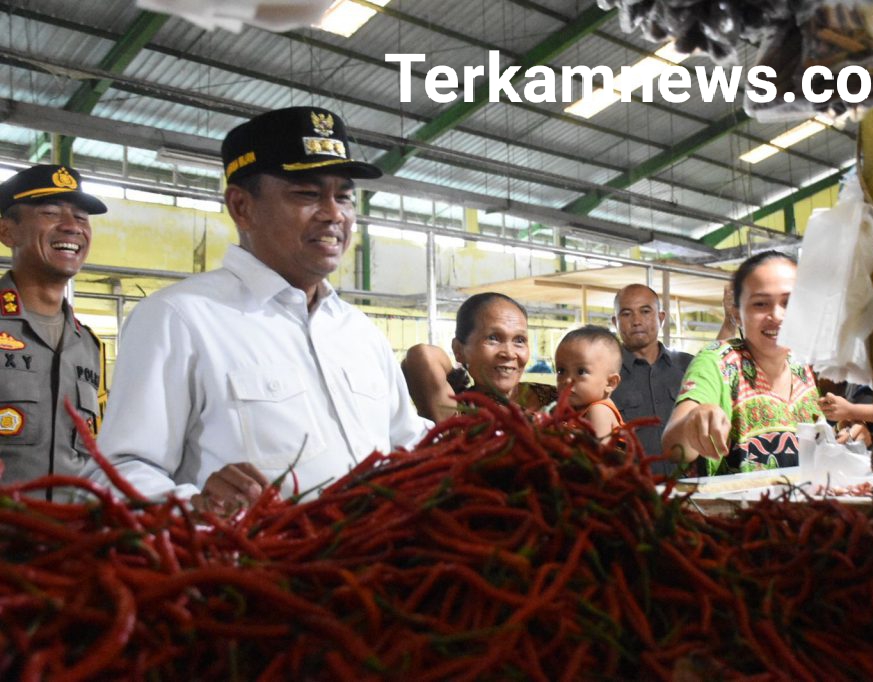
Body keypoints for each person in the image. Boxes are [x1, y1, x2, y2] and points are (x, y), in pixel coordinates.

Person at [88, 106, 430, 516]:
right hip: (253, 572)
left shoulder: (360, 334)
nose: (335, 213)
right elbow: (117, 474)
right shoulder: (180, 319)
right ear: (241, 207)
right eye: (307, 193)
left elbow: (408, 446)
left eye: (344, 196)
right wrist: (193, 506)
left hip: (371, 567)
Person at [661, 251, 823, 475]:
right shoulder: (718, 360)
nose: (777, 315)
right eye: (760, 304)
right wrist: (693, 420)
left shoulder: (800, 365)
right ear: (737, 313)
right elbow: (674, 449)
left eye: (789, 302)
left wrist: (846, 435)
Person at [0, 164, 106, 495]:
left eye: (82, 218)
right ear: (7, 232)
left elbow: (97, 455)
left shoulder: (89, 347)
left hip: (72, 540)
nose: (72, 227)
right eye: (50, 212)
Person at [402, 292, 556, 422]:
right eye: (493, 338)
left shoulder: (553, 397)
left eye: (519, 340)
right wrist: (456, 379)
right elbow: (422, 355)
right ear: (458, 350)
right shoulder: (458, 409)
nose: (509, 353)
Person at [610, 284, 693, 473]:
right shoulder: (606, 376)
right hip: (635, 492)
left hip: (690, 488)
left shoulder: (689, 366)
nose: (636, 321)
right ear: (615, 322)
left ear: (661, 318)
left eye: (645, 311)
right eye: (626, 314)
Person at [554, 325, 624, 444]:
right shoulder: (574, 409)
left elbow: (595, 457)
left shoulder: (598, 411)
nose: (567, 380)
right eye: (561, 371)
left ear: (610, 383)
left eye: (581, 371)